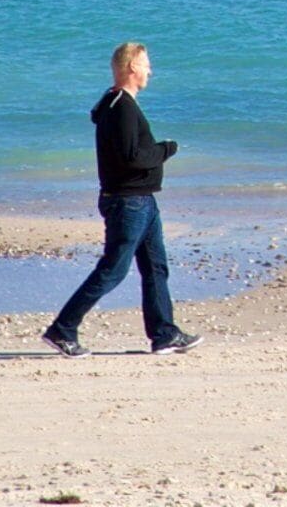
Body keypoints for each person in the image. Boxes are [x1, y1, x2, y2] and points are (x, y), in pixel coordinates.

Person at [43, 41, 198, 355]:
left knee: (156, 267)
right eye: (146, 64)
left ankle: (164, 333)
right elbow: (132, 157)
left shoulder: (119, 104)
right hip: (128, 203)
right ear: (131, 67)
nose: (150, 70)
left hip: (143, 201)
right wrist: (167, 148)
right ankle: (62, 329)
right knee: (113, 270)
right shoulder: (121, 107)